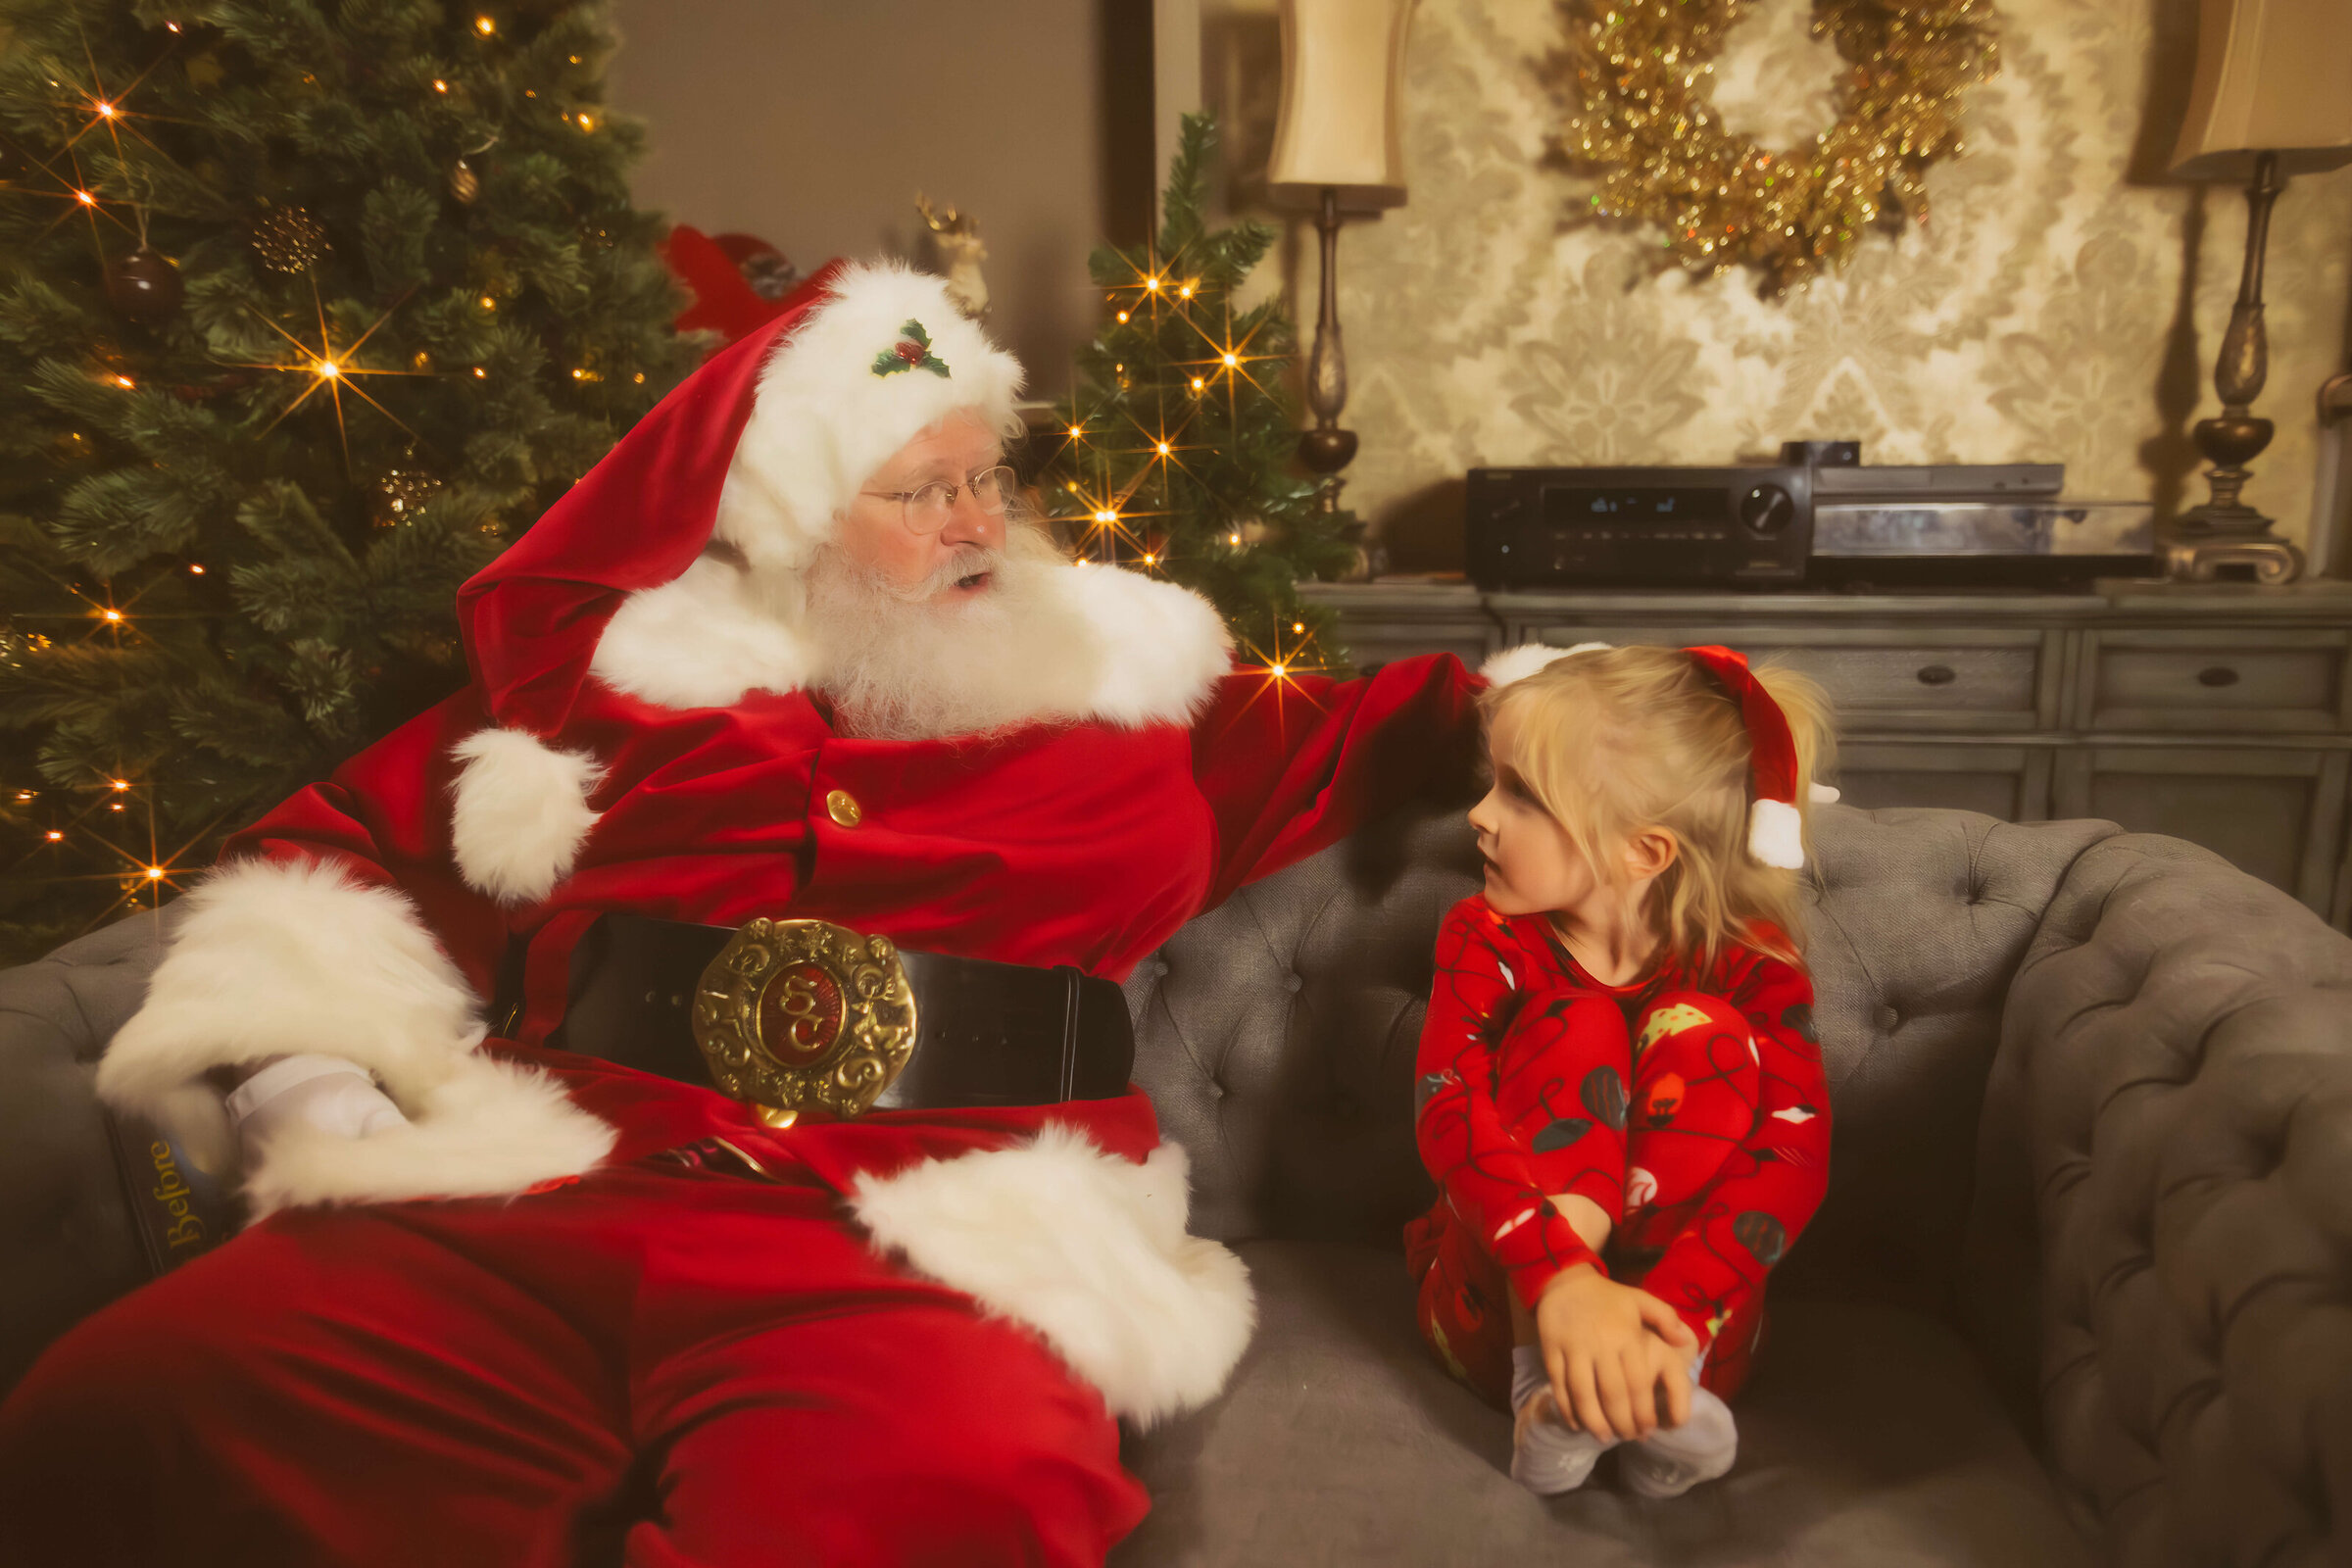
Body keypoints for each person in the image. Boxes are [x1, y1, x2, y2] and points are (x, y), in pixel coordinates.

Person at [0, 263, 1487, 1567]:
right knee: (124, 1407)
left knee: (954, 1487)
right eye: (919, 492)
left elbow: (1469, 716)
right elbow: (335, 857)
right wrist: (310, 1079)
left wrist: (1658, 734)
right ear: (796, 530)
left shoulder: (1134, 693)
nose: (977, 522)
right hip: (553, 1198)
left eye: (989, 480)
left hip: (933, 1243)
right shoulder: (634, 687)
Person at [1403, 642, 1836, 1497]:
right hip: (1506, 1310)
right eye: (1493, 782)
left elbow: (1795, 1157)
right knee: (1578, 1019)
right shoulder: (1485, 938)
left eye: (1522, 796)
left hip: (1691, 1343)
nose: (1481, 816)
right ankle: (1547, 1390)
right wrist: (1560, 1279)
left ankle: (1649, 1390)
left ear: (1644, 852)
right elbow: (1446, 1101)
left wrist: (1665, 1324)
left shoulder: (1753, 964)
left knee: (1699, 1029)